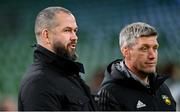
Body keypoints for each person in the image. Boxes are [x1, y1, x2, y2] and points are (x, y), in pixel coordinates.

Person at [18, 6, 97, 111]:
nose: (75, 37)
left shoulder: (68, 75)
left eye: (75, 31)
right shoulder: (39, 82)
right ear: (46, 35)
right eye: (67, 30)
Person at [97, 22, 176, 111]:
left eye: (155, 48)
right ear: (126, 52)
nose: (152, 56)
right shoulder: (109, 94)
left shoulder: (162, 88)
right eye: (144, 49)